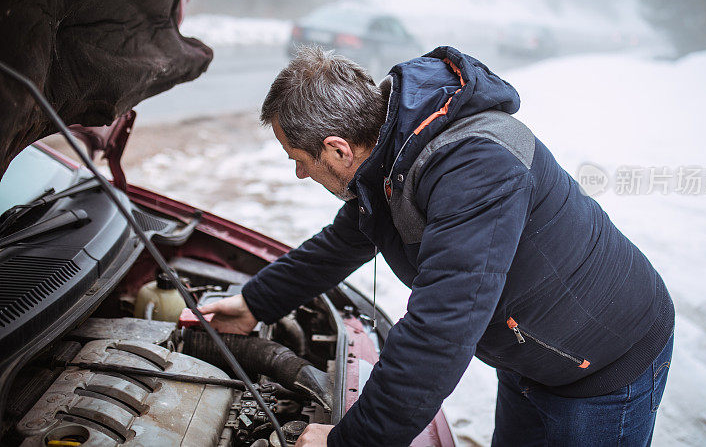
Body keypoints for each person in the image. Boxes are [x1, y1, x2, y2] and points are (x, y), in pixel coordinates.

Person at [201, 45, 675, 447]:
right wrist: (253, 303)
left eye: (299, 160)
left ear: (338, 149)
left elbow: (441, 328)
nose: (300, 174)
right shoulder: (393, 149)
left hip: (603, 364)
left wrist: (351, 441)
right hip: (531, 352)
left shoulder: (475, 167)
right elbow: (339, 245)